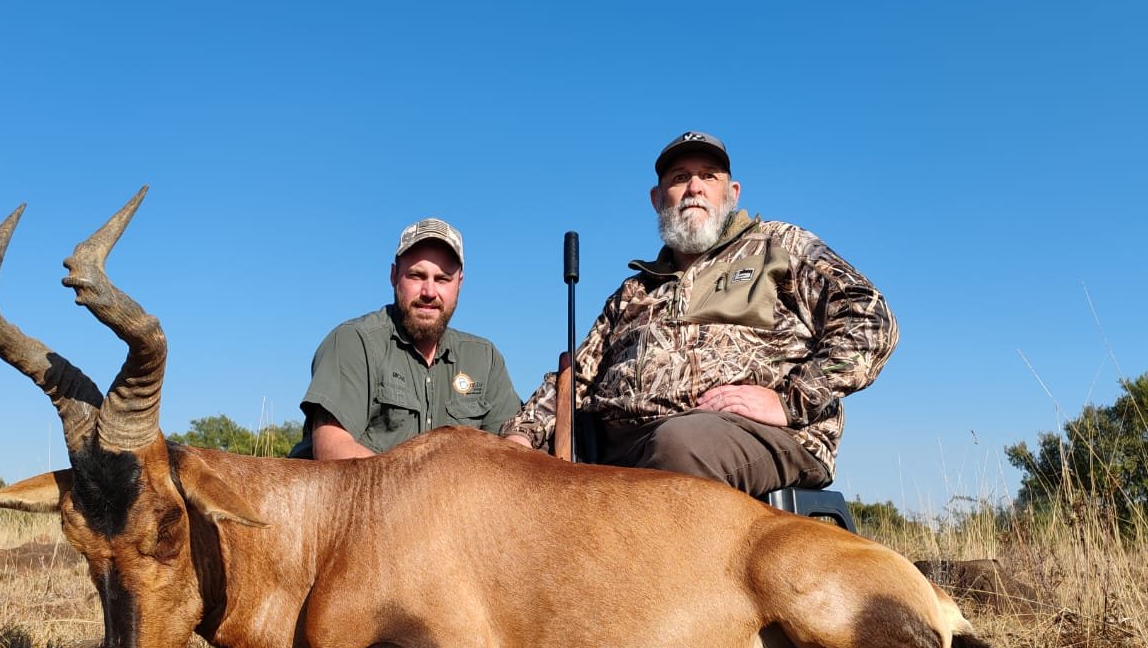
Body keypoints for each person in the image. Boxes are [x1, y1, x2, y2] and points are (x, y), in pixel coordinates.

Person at [501, 131, 897, 496]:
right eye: (679, 178)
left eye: (709, 176)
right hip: (619, 441)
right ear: (657, 198)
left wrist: (789, 401)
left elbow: (870, 319)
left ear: (733, 192)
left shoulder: (778, 246)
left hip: (747, 433)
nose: (694, 188)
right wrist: (519, 438)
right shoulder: (633, 292)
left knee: (679, 446)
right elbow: (577, 375)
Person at [293, 217, 521, 460]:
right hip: (357, 497)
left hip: (457, 498)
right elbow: (332, 448)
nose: (429, 292)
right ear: (394, 275)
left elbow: (514, 449)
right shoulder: (355, 341)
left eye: (442, 279)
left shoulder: (485, 359)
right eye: (416, 276)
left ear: (459, 284)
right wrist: (427, 493)